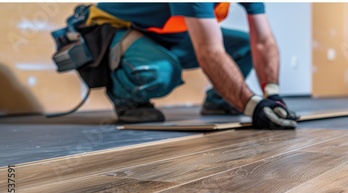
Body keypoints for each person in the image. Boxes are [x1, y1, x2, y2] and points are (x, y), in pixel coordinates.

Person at [89, 2, 298, 129]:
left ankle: (220, 101)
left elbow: (262, 42)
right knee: (162, 72)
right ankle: (127, 98)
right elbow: (209, 51)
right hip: (114, 29)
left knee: (244, 46)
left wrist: (273, 95)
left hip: (164, 34)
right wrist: (254, 106)